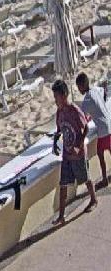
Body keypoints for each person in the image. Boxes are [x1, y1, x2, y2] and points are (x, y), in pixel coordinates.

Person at [51, 80, 97, 225]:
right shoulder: (59, 112)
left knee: (85, 178)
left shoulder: (75, 111)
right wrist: (55, 143)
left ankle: (94, 199)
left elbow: (86, 128)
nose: (55, 100)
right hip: (66, 154)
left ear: (64, 95)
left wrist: (79, 144)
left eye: (57, 97)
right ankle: (61, 215)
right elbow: (59, 130)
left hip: (78, 154)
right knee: (63, 184)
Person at [76, 72, 111, 189]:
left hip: (103, 129)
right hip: (109, 123)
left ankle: (105, 180)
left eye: (78, 87)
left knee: (100, 153)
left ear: (82, 86)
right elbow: (104, 92)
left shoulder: (86, 100)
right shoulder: (96, 89)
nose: (78, 90)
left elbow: (82, 118)